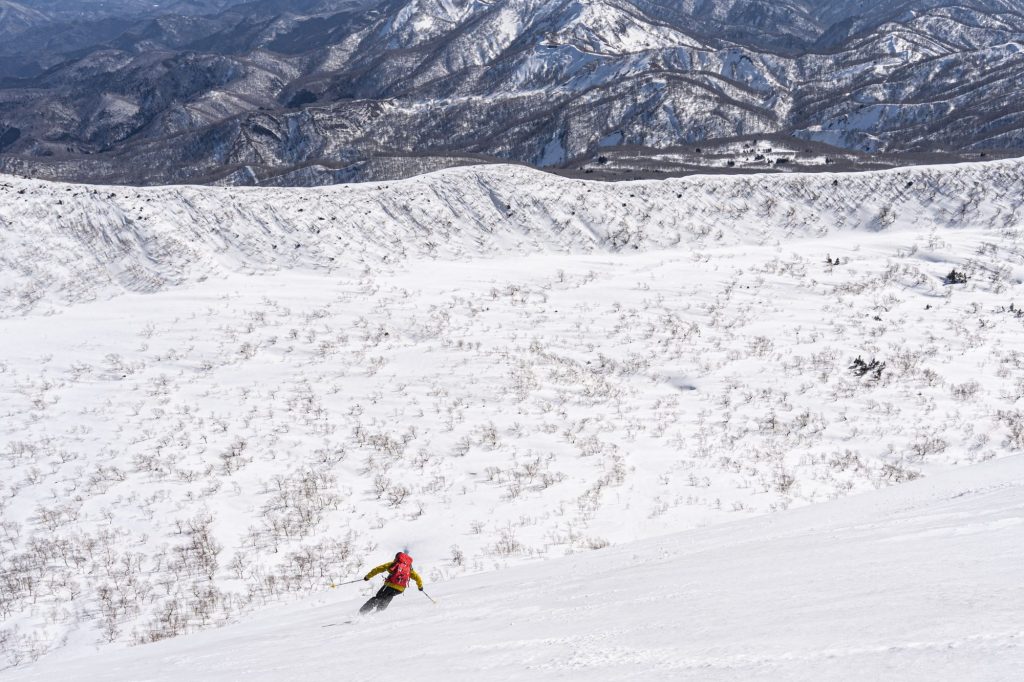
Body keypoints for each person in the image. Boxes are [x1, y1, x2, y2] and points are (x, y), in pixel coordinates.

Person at [359, 551, 424, 614]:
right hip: (400, 589)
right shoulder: (409, 569)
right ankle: (379, 613)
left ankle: (362, 613)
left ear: (398, 558)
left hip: (389, 585)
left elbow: (378, 569)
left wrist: (368, 576)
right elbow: (417, 578)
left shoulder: (394, 564)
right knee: (388, 597)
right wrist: (420, 586)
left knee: (378, 598)